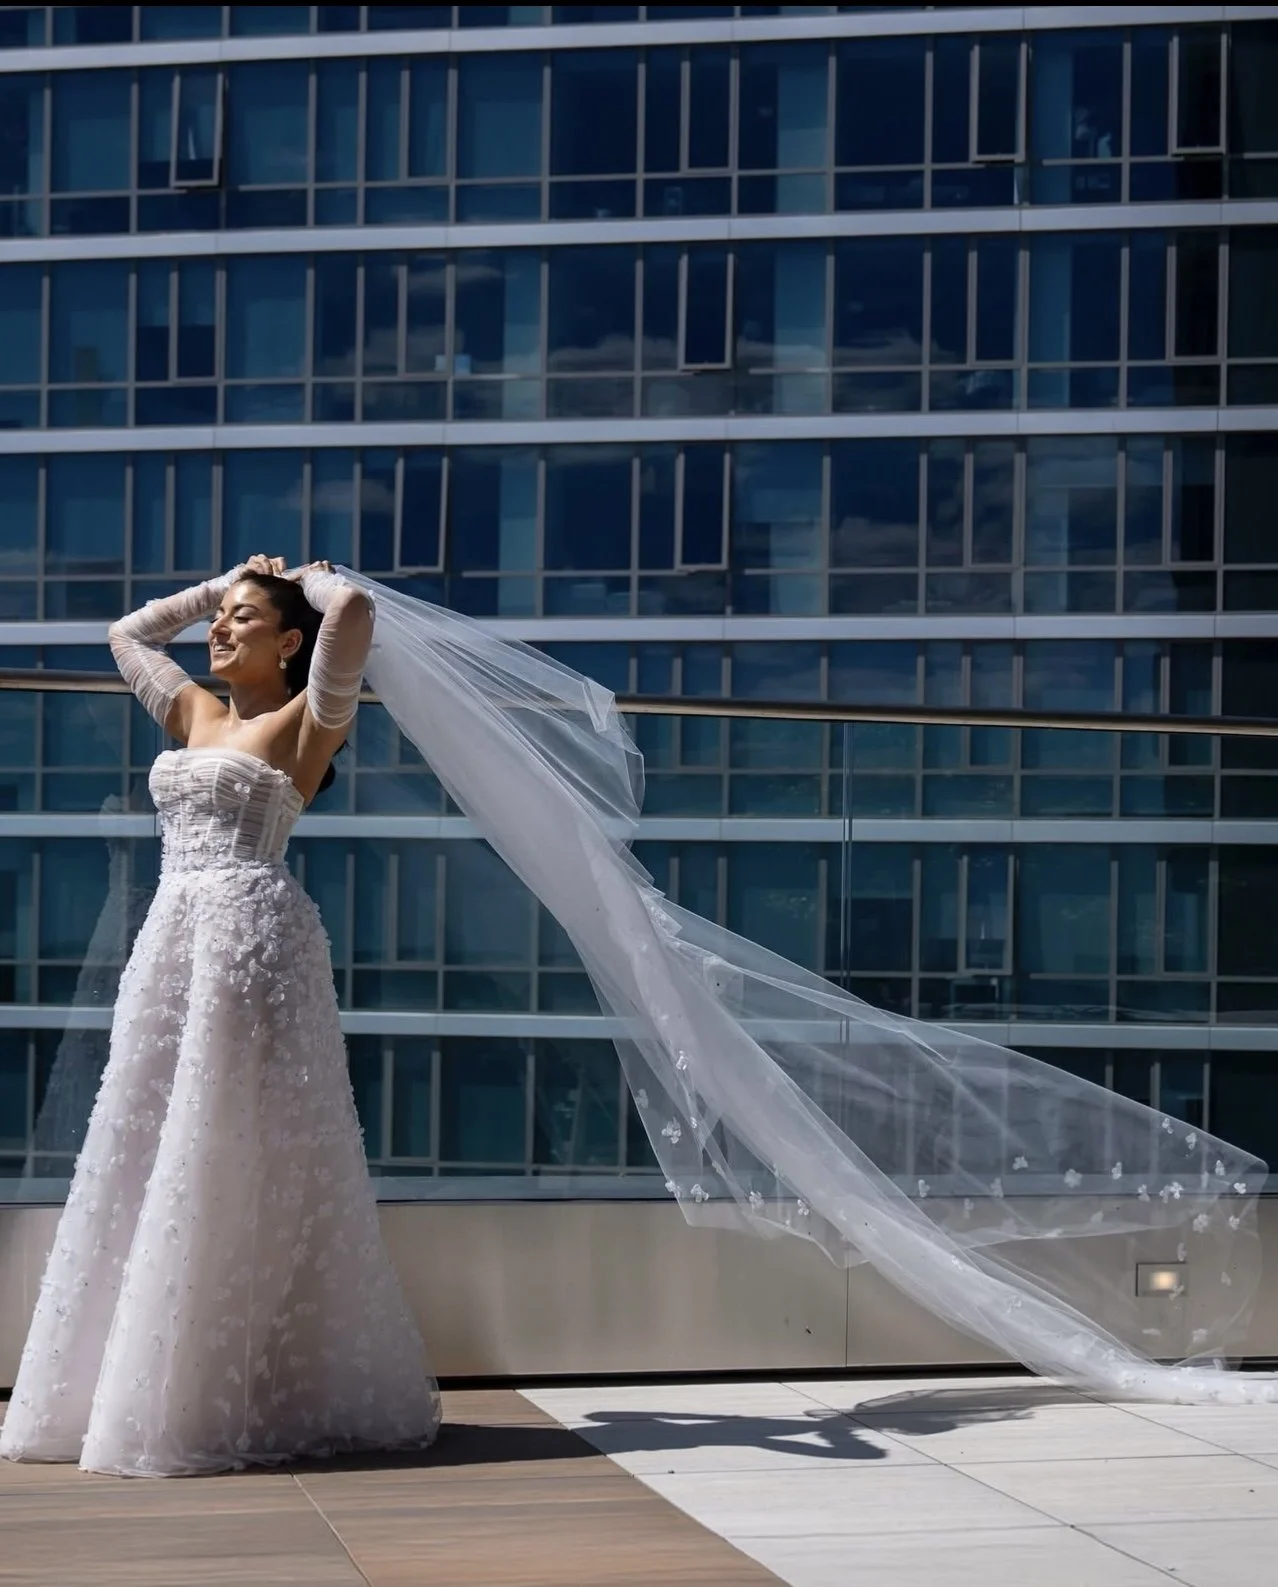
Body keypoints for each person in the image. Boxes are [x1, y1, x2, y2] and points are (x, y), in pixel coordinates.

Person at [0, 556, 440, 1477]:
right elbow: (126, 635)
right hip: (169, 943)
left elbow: (353, 612)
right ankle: (128, 1383)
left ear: (288, 645)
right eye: (220, 619)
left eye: (243, 619)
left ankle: (212, 1395)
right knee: (145, 1139)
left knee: (225, 1141)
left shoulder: (306, 722)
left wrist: (310, 582)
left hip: (253, 946)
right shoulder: (193, 711)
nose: (220, 630)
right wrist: (217, 584)